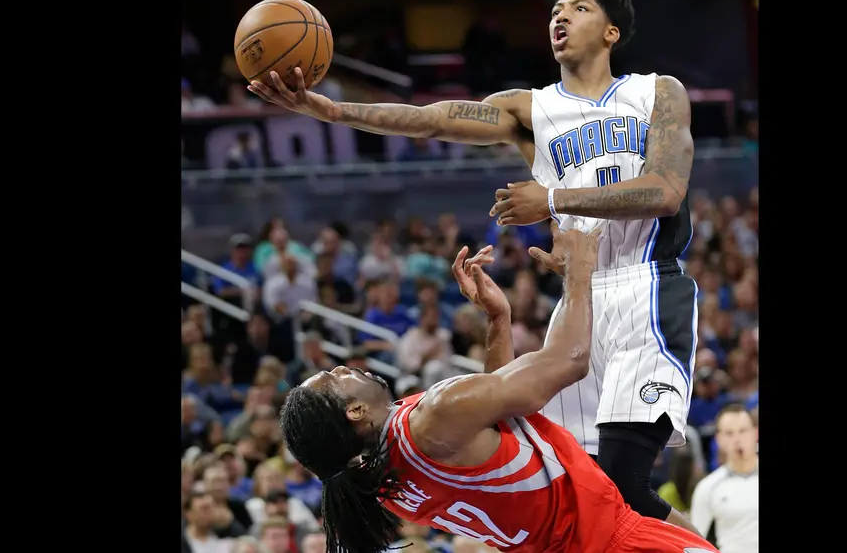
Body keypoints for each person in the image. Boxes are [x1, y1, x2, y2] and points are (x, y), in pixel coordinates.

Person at [249, 0, 699, 531]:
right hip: (580, 300)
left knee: (622, 479)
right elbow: (432, 119)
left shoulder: (656, 93)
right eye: (555, 9)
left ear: (613, 31)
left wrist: (555, 198)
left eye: (580, 8)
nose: (560, 16)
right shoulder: (529, 110)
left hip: (646, 287)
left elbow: (666, 190)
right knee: (588, 493)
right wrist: (335, 112)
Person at [277, 226, 716, 553]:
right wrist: (579, 272)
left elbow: (492, 423)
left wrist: (498, 320)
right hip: (612, 539)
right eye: (335, 377)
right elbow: (569, 361)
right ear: (354, 411)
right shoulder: (433, 419)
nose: (342, 367)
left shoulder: (383, 483)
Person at [689, 404, 758, 553]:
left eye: (743, 431)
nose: (737, 439)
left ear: (755, 433)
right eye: (729, 433)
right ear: (719, 439)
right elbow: (693, 543)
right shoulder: (708, 487)